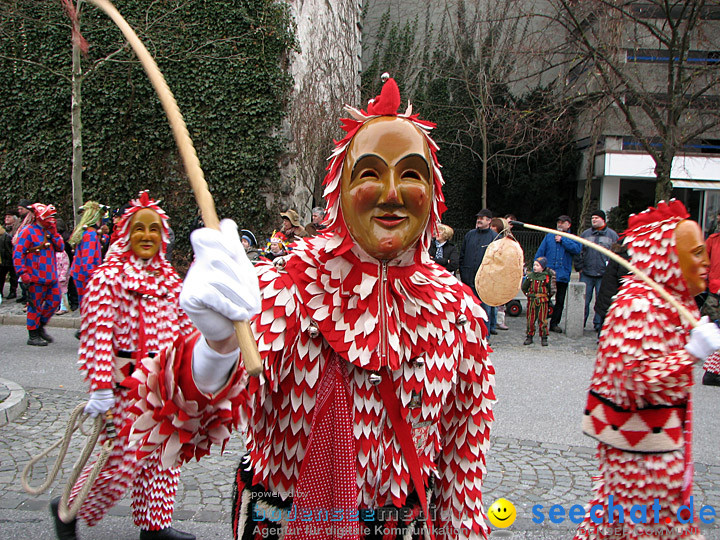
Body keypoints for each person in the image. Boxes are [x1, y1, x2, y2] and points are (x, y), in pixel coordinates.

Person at [127, 77, 496, 539]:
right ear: (339, 190)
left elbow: (461, 472)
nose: (391, 193)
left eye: (411, 174)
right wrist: (214, 349)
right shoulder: (282, 292)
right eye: (369, 173)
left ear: (433, 193)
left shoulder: (459, 315)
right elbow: (185, 419)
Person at [50, 191, 196, 540]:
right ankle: (67, 509)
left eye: (154, 229)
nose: (147, 236)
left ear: (163, 236)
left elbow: (185, 330)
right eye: (139, 228)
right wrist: (100, 387)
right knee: (118, 462)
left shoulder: (170, 281)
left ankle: (155, 525)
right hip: (124, 390)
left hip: (163, 388)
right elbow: (97, 336)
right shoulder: (108, 279)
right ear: (125, 233)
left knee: (163, 458)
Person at [576, 200, 720, 540]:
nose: (706, 262)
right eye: (696, 253)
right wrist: (690, 354)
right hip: (639, 450)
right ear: (668, 256)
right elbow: (632, 379)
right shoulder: (638, 305)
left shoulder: (667, 301)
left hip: (654, 444)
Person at [12, 203, 64, 346]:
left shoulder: (49, 231)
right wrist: (23, 272)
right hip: (35, 277)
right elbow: (18, 254)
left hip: (51, 276)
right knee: (34, 306)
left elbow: (60, 247)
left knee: (55, 301)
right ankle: (33, 334)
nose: (51, 220)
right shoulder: (27, 231)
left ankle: (39, 326)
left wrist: (54, 233)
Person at [534, 215, 582, 333]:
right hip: (548, 274)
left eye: (562, 222)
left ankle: (554, 323)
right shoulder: (549, 236)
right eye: (558, 222)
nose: (559, 224)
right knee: (543, 299)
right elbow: (541, 252)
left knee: (560, 301)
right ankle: (541, 322)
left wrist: (563, 240)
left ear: (568, 225)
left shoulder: (572, 237)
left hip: (563, 274)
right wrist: (536, 266)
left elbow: (577, 249)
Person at [575, 209, 618, 331]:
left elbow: (616, 254)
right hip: (587, 273)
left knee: (601, 301)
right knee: (584, 301)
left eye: (596, 218)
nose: (593, 220)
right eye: (592, 218)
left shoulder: (612, 235)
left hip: (604, 274)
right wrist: (579, 267)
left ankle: (599, 325)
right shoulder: (585, 234)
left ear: (603, 220)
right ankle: (580, 324)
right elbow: (579, 252)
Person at [460, 208, 498, 334]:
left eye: (482, 218)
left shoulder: (495, 237)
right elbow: (463, 254)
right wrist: (463, 272)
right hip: (468, 278)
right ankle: (468, 334)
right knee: (467, 308)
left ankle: (484, 335)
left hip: (485, 281)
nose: (479, 220)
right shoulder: (470, 234)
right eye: (478, 218)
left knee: (484, 309)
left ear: (489, 221)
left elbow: (498, 260)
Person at [69, 201, 104, 308]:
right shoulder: (90, 234)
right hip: (85, 277)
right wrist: (95, 278)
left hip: (80, 274)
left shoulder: (86, 232)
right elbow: (87, 260)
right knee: (89, 308)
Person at [592, 241, 630, 338]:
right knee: (607, 319)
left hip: (610, 293)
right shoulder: (624, 257)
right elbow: (623, 276)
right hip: (612, 294)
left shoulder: (619, 254)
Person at [521, 256, 556, 346]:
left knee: (543, 319)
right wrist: (529, 295)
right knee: (531, 319)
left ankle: (544, 337)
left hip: (543, 301)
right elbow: (524, 287)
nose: (535, 267)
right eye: (534, 265)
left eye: (537, 265)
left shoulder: (546, 277)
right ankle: (529, 336)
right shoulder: (530, 277)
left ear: (543, 267)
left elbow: (550, 289)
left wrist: (546, 296)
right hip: (532, 301)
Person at [1, 210, 20, 299]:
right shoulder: (3, 230)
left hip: (12, 256)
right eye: (6, 217)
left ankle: (13, 291)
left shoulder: (16, 229)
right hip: (3, 256)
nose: (6, 219)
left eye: (9, 217)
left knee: (13, 276)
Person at [55, 219, 71, 315]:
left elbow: (65, 265)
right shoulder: (54, 253)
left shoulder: (62, 254)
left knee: (63, 292)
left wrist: (63, 275)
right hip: (56, 276)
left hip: (61, 276)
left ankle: (64, 306)